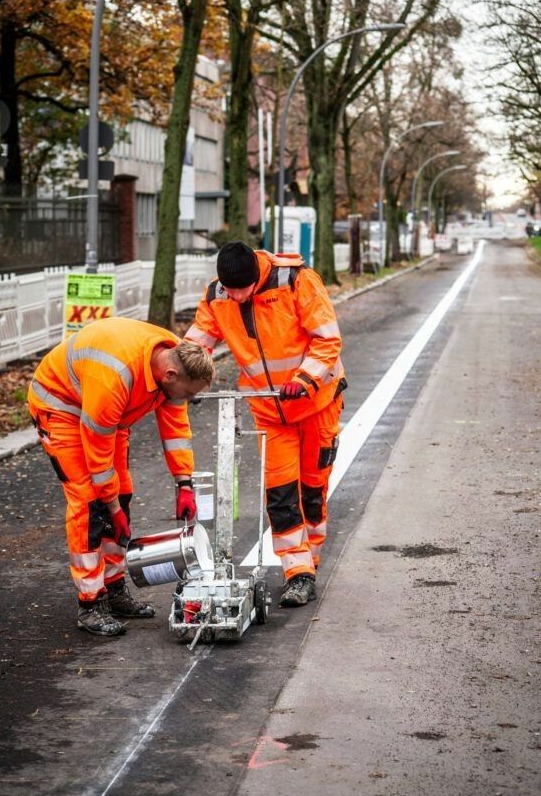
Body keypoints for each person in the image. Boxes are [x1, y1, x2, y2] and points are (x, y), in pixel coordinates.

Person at [28, 319, 213, 637]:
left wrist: (184, 483)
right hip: (62, 410)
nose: (188, 400)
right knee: (89, 501)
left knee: (122, 491)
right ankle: (91, 602)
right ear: (170, 376)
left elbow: (176, 430)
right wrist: (111, 507)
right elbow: (98, 456)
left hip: (107, 417)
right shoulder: (114, 376)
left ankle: (113, 589)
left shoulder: (174, 356)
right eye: (189, 393)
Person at [186, 241, 345, 608]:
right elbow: (198, 342)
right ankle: (298, 573)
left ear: (256, 277)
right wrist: (184, 378)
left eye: (243, 288)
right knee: (280, 494)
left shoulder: (296, 281)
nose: (238, 296)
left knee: (311, 490)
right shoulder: (217, 295)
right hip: (270, 412)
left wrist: (305, 379)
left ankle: (312, 559)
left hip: (316, 402)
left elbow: (327, 338)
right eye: (231, 289)